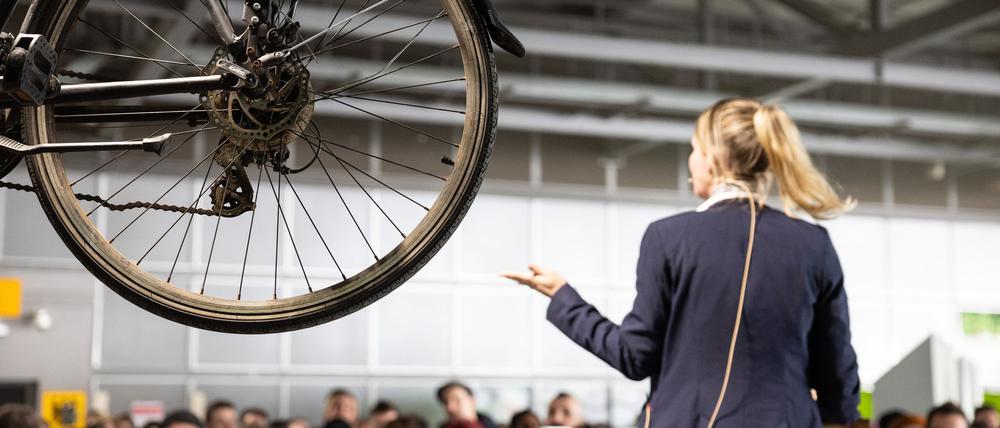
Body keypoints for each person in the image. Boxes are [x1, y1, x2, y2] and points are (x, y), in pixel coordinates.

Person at [503, 97, 860, 427]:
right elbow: (837, 369)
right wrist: (833, 415)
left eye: (694, 150)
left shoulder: (669, 238)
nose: (691, 160)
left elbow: (634, 356)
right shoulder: (813, 244)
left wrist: (564, 298)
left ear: (713, 158)